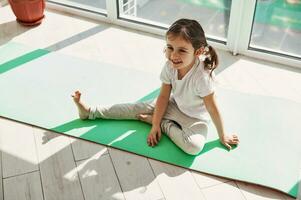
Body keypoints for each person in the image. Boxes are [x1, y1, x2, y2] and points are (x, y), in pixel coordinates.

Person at [72, 18, 239, 155]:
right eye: (170, 48)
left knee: (193, 147)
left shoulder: (202, 77)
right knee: (135, 108)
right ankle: (91, 112)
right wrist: (154, 126)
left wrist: (222, 135)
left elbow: (212, 107)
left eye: (182, 50)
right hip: (174, 105)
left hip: (196, 119)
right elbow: (164, 97)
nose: (173, 55)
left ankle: (165, 124)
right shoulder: (169, 66)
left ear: (197, 52)